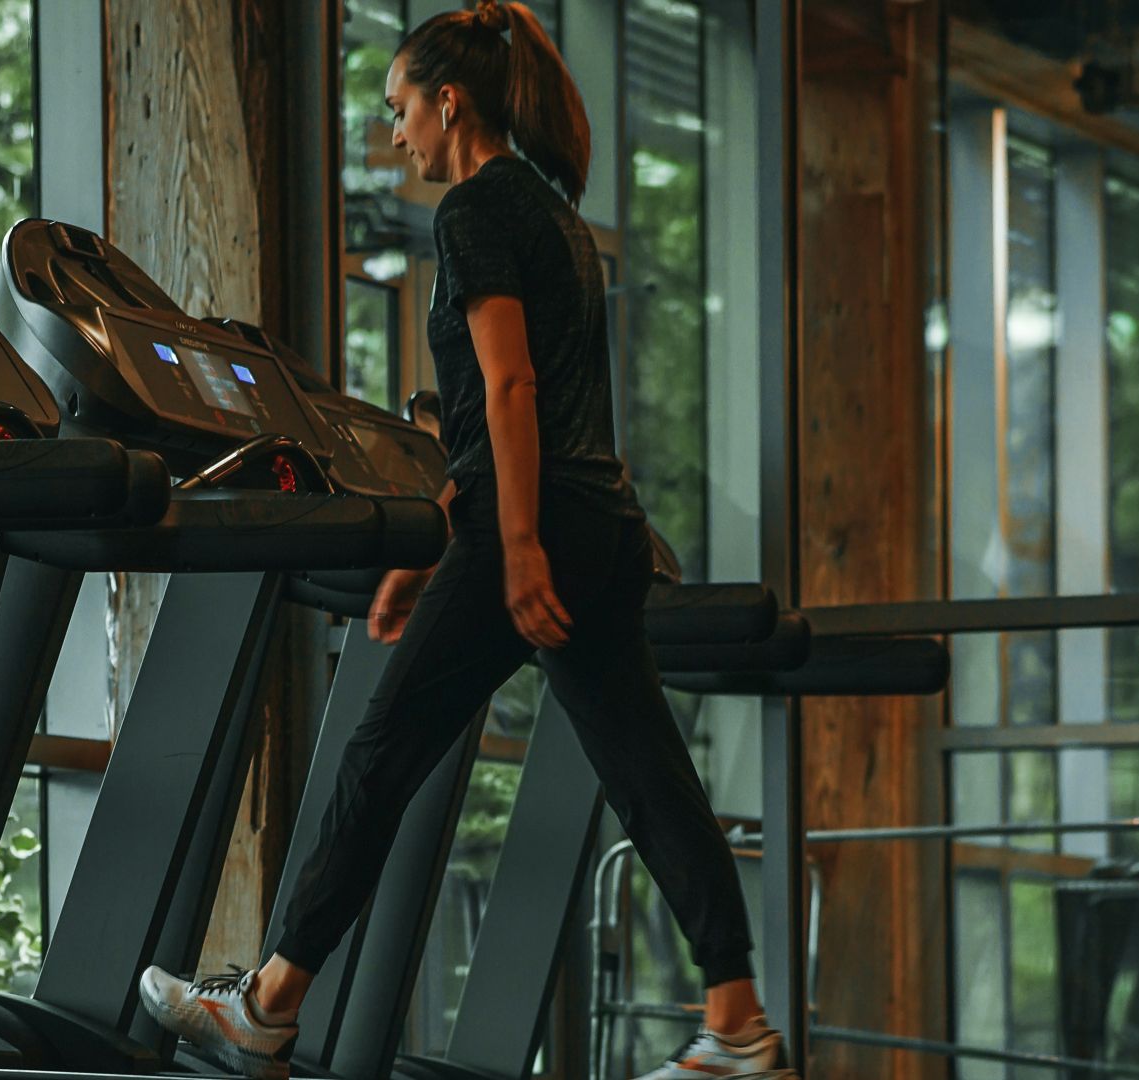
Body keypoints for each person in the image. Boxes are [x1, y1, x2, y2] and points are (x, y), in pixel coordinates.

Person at [136, 4, 796, 1079]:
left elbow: (511, 387)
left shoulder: (476, 210)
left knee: (380, 755)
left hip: (537, 526)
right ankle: (740, 1025)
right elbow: (499, 431)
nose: (394, 131)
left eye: (399, 107)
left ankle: (266, 1006)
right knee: (648, 775)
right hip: (597, 522)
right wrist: (431, 544)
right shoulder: (555, 214)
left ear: (450, 103)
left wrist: (517, 547)